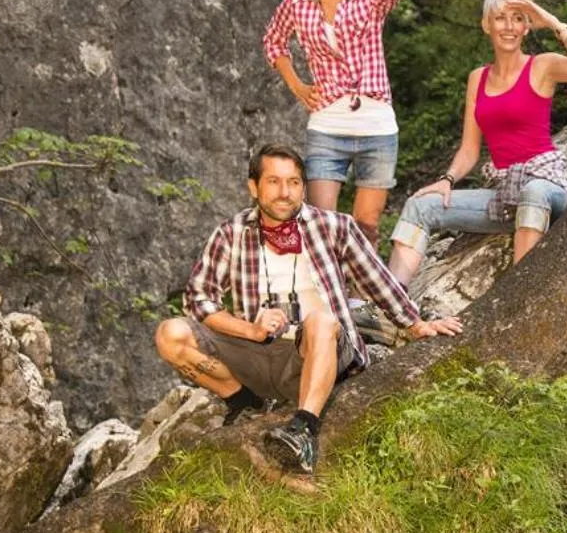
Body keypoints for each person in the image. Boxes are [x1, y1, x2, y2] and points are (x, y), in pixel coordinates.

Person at [154, 143, 463, 475]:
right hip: (259, 352)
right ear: (253, 187)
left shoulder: (334, 226)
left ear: (303, 187)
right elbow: (198, 298)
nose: (285, 192)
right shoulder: (231, 233)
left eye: (294, 182)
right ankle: (244, 401)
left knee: (321, 320)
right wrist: (250, 330)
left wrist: (415, 324)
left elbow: (377, 280)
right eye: (273, 182)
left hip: (321, 350)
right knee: (170, 334)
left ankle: (303, 429)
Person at [387, 0, 567, 282]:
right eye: (500, 18)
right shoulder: (478, 78)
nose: (509, 26)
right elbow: (469, 149)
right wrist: (447, 180)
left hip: (548, 187)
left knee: (533, 192)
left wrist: (551, 22)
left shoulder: (542, 66)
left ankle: (519, 293)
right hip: (504, 194)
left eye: (518, 18)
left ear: (527, 27)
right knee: (419, 206)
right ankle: (392, 300)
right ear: (487, 25)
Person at [262, 0, 434, 246]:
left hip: (377, 126)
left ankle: (360, 283)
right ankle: (328, 280)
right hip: (327, 124)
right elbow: (274, 40)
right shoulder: (297, 1)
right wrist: (297, 85)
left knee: (366, 226)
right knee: (320, 224)